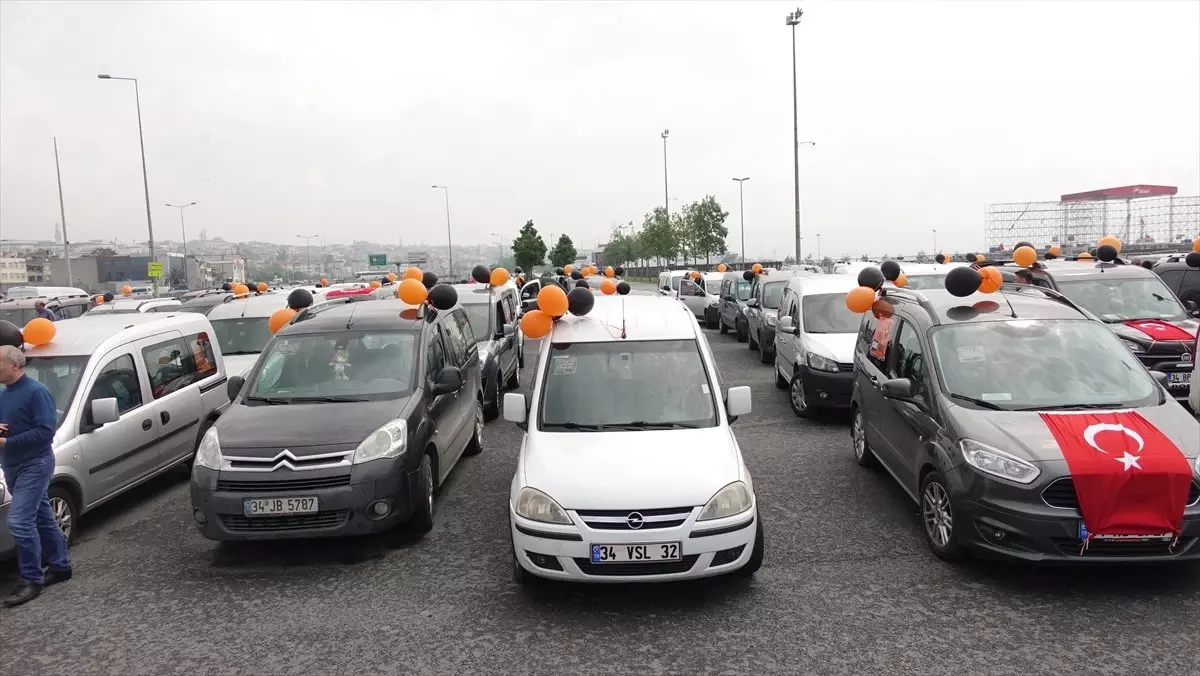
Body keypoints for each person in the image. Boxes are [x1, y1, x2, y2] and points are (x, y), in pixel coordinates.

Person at [0, 344, 71, 607]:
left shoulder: (37, 392)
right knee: (41, 514)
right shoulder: (3, 393)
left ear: (14, 365)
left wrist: (7, 443)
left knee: (19, 521)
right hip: (11, 465)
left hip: (35, 463)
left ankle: (31, 579)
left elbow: (45, 432)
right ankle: (61, 567)